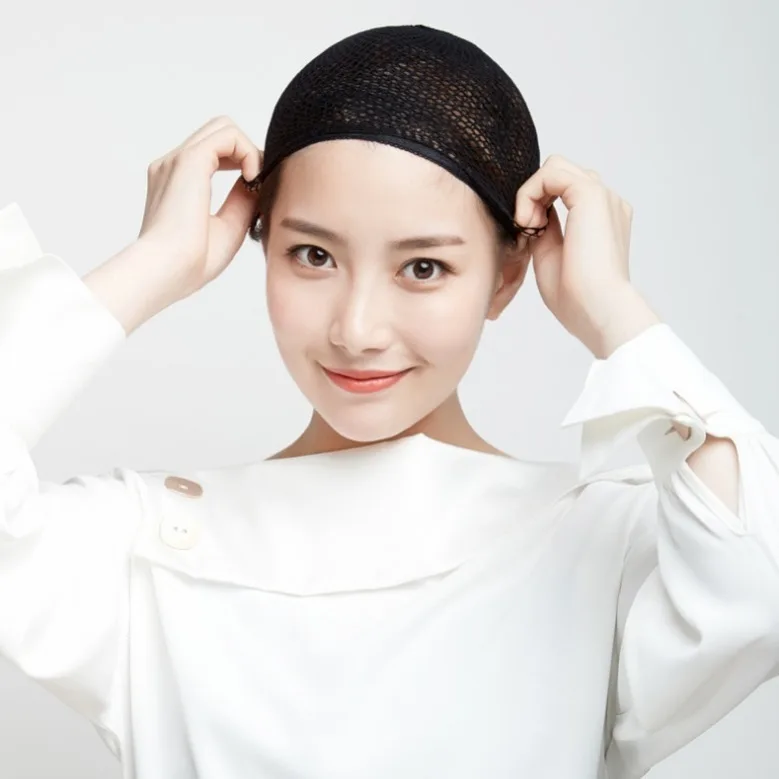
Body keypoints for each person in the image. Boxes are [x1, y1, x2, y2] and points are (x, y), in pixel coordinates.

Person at [0, 23, 777, 779]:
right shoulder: (143, 550)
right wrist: (152, 263)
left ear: (506, 275)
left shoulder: (596, 544)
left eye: (423, 268)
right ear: (259, 246)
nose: (357, 329)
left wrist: (612, 306)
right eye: (312, 254)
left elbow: (762, 586)